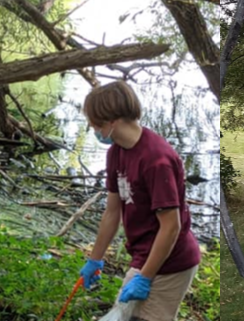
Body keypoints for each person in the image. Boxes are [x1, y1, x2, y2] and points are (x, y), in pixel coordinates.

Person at [78, 81, 201, 321]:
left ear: (111, 121)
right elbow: (112, 212)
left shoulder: (157, 160)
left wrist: (145, 277)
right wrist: (95, 259)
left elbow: (171, 226)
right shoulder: (117, 152)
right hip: (145, 255)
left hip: (172, 261)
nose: (92, 127)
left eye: (94, 122)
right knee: (121, 315)